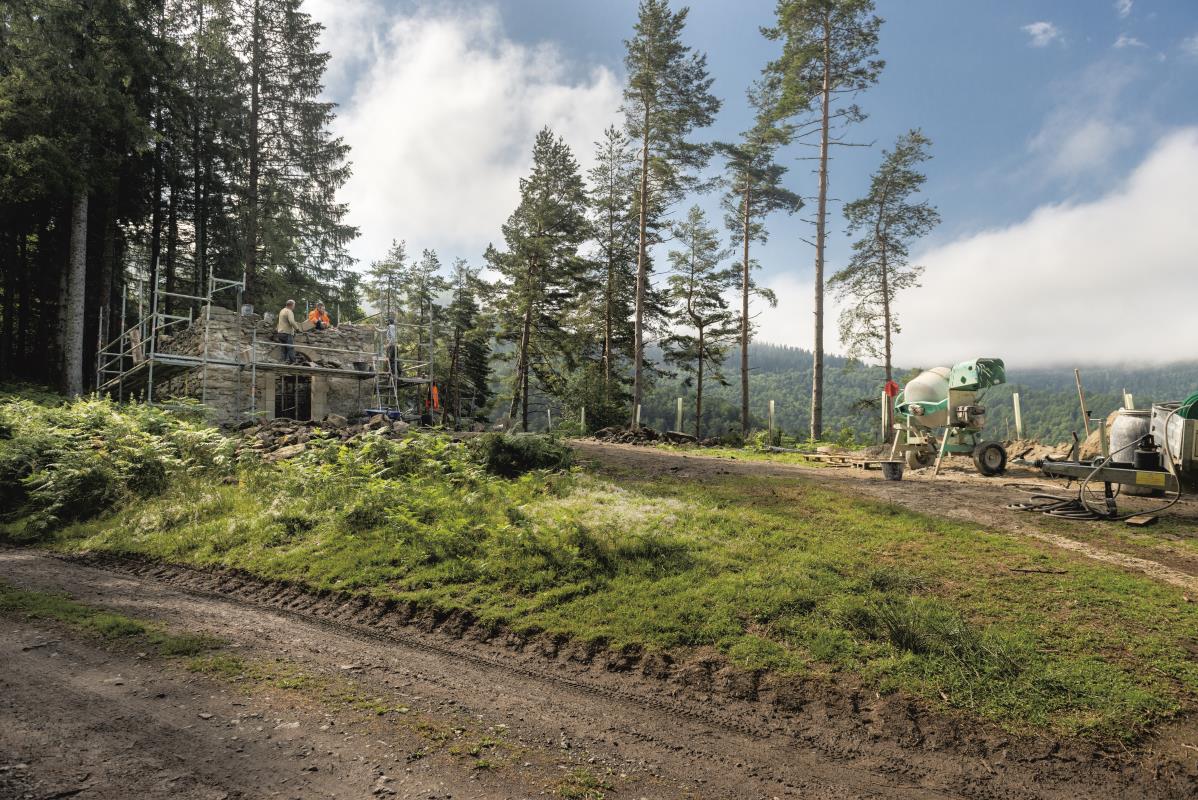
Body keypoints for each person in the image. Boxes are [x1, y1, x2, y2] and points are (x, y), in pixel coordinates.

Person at [276, 300, 303, 364]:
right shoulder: (289, 311)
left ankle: (283, 362)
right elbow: (291, 321)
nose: (294, 307)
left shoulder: (282, 310)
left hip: (280, 332)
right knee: (290, 348)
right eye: (294, 305)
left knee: (283, 349)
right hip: (287, 332)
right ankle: (293, 361)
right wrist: (297, 329)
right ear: (291, 305)